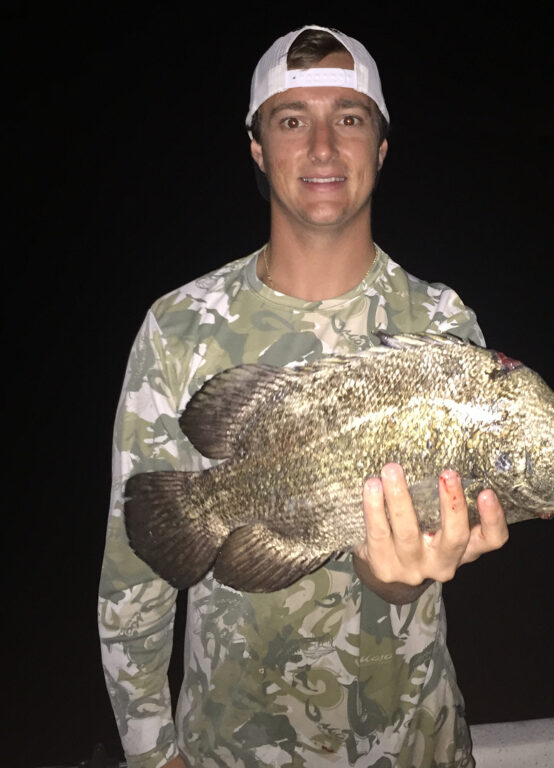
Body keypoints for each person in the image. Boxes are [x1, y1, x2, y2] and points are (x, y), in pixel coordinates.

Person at [98, 25, 509, 768]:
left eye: (349, 118)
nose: (323, 147)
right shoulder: (181, 328)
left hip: (416, 744)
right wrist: (153, 749)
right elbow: (136, 571)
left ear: (381, 149)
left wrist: (399, 578)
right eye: (293, 120)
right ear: (258, 149)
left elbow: (437, 539)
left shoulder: (443, 326)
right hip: (232, 747)